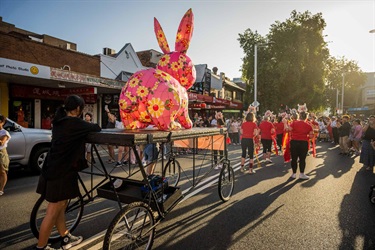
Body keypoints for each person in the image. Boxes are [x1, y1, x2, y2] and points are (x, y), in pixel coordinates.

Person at [35, 95, 101, 250]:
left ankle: (64, 236)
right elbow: (96, 128)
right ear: (78, 109)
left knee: (61, 206)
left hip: (54, 167)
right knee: (52, 211)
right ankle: (41, 247)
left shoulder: (59, 122)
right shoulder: (75, 123)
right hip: (60, 171)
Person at [284, 111, 314, 180]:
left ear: (299, 116)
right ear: (306, 117)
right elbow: (311, 136)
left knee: (294, 159)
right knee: (302, 159)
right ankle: (302, 174)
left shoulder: (294, 123)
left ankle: (294, 174)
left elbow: (287, 130)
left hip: (294, 142)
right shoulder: (309, 126)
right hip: (303, 143)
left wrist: (285, 123)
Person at [0, 115, 11, 196]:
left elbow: (1, 142)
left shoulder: (5, 132)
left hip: (1, 154)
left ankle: (1, 189)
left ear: (2, 122)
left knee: (2, 172)